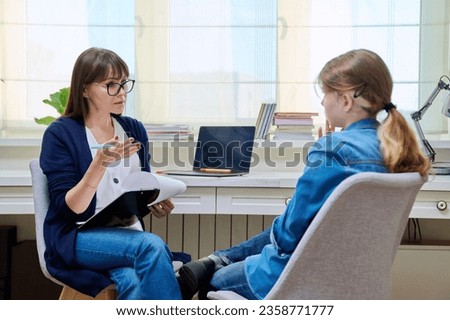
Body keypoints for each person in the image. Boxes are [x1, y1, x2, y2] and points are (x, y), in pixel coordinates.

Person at [176, 48, 431, 300]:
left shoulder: (333, 149)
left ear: (345, 100)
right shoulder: (398, 150)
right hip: (353, 280)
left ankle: (215, 262)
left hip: (291, 280)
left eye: (326, 94)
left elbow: (288, 237)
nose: (322, 102)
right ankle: (219, 258)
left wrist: (328, 151)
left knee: (210, 282)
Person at [40, 47, 183, 299]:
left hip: (125, 235)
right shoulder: (60, 134)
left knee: (133, 280)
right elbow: (69, 209)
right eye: (110, 85)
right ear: (84, 90)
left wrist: (153, 203)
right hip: (77, 236)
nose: (121, 93)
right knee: (151, 247)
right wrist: (99, 165)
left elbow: (139, 186)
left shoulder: (134, 129)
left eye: (124, 83)